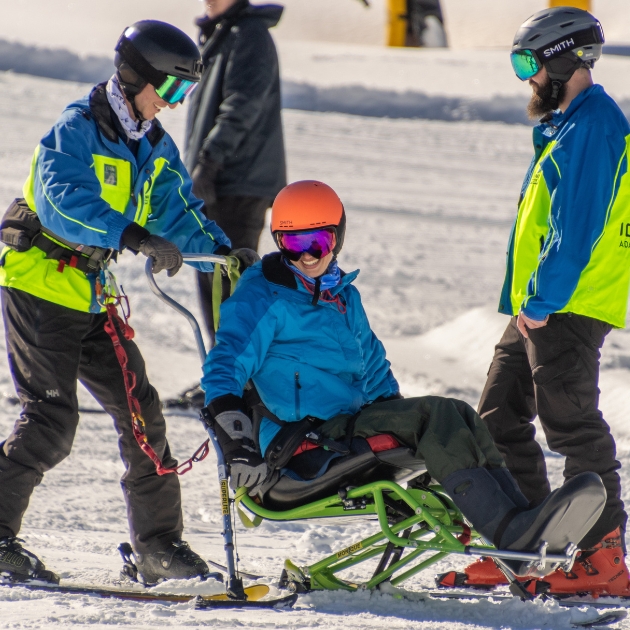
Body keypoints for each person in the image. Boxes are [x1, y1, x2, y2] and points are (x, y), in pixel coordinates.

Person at [199, 179, 607, 579]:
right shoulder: (262, 298)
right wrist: (237, 445)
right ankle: (511, 536)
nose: (307, 258)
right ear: (278, 241)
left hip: (345, 430)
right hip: (304, 445)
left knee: (459, 415)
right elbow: (223, 369)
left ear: (336, 239)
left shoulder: (343, 297)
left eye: (317, 244)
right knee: (437, 415)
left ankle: (519, 522)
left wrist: (401, 426)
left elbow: (375, 373)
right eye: (293, 245)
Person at [0, 20, 250, 586]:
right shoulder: (77, 128)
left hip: (91, 295)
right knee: (50, 421)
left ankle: (158, 546)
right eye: (172, 91)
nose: (173, 105)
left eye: (183, 95)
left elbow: (177, 209)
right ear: (137, 76)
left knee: (142, 414)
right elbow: (61, 201)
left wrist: (221, 253)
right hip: (39, 284)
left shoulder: (152, 145)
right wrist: (132, 236)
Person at [438, 7, 630, 596]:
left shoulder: (594, 125)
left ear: (563, 58)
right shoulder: (568, 125)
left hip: (568, 304)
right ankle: (520, 547)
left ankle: (605, 560)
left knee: (571, 423)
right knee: (496, 416)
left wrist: (544, 297)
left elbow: (577, 228)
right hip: (538, 305)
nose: (525, 77)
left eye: (528, 62)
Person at [185, 0, 286, 339]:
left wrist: (209, 161)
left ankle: (236, 384)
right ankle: (222, 376)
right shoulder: (225, 35)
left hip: (236, 184)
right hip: (223, 183)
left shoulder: (249, 35)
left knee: (230, 285)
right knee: (214, 278)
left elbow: (242, 104)